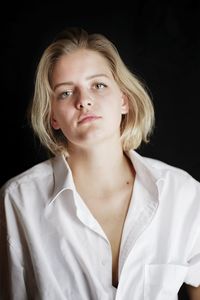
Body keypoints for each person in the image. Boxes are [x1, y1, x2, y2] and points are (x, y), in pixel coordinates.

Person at [0, 27, 199, 300]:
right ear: (53, 117)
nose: (85, 101)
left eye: (99, 85)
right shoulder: (19, 199)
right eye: (66, 93)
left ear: (123, 101)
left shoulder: (184, 193)